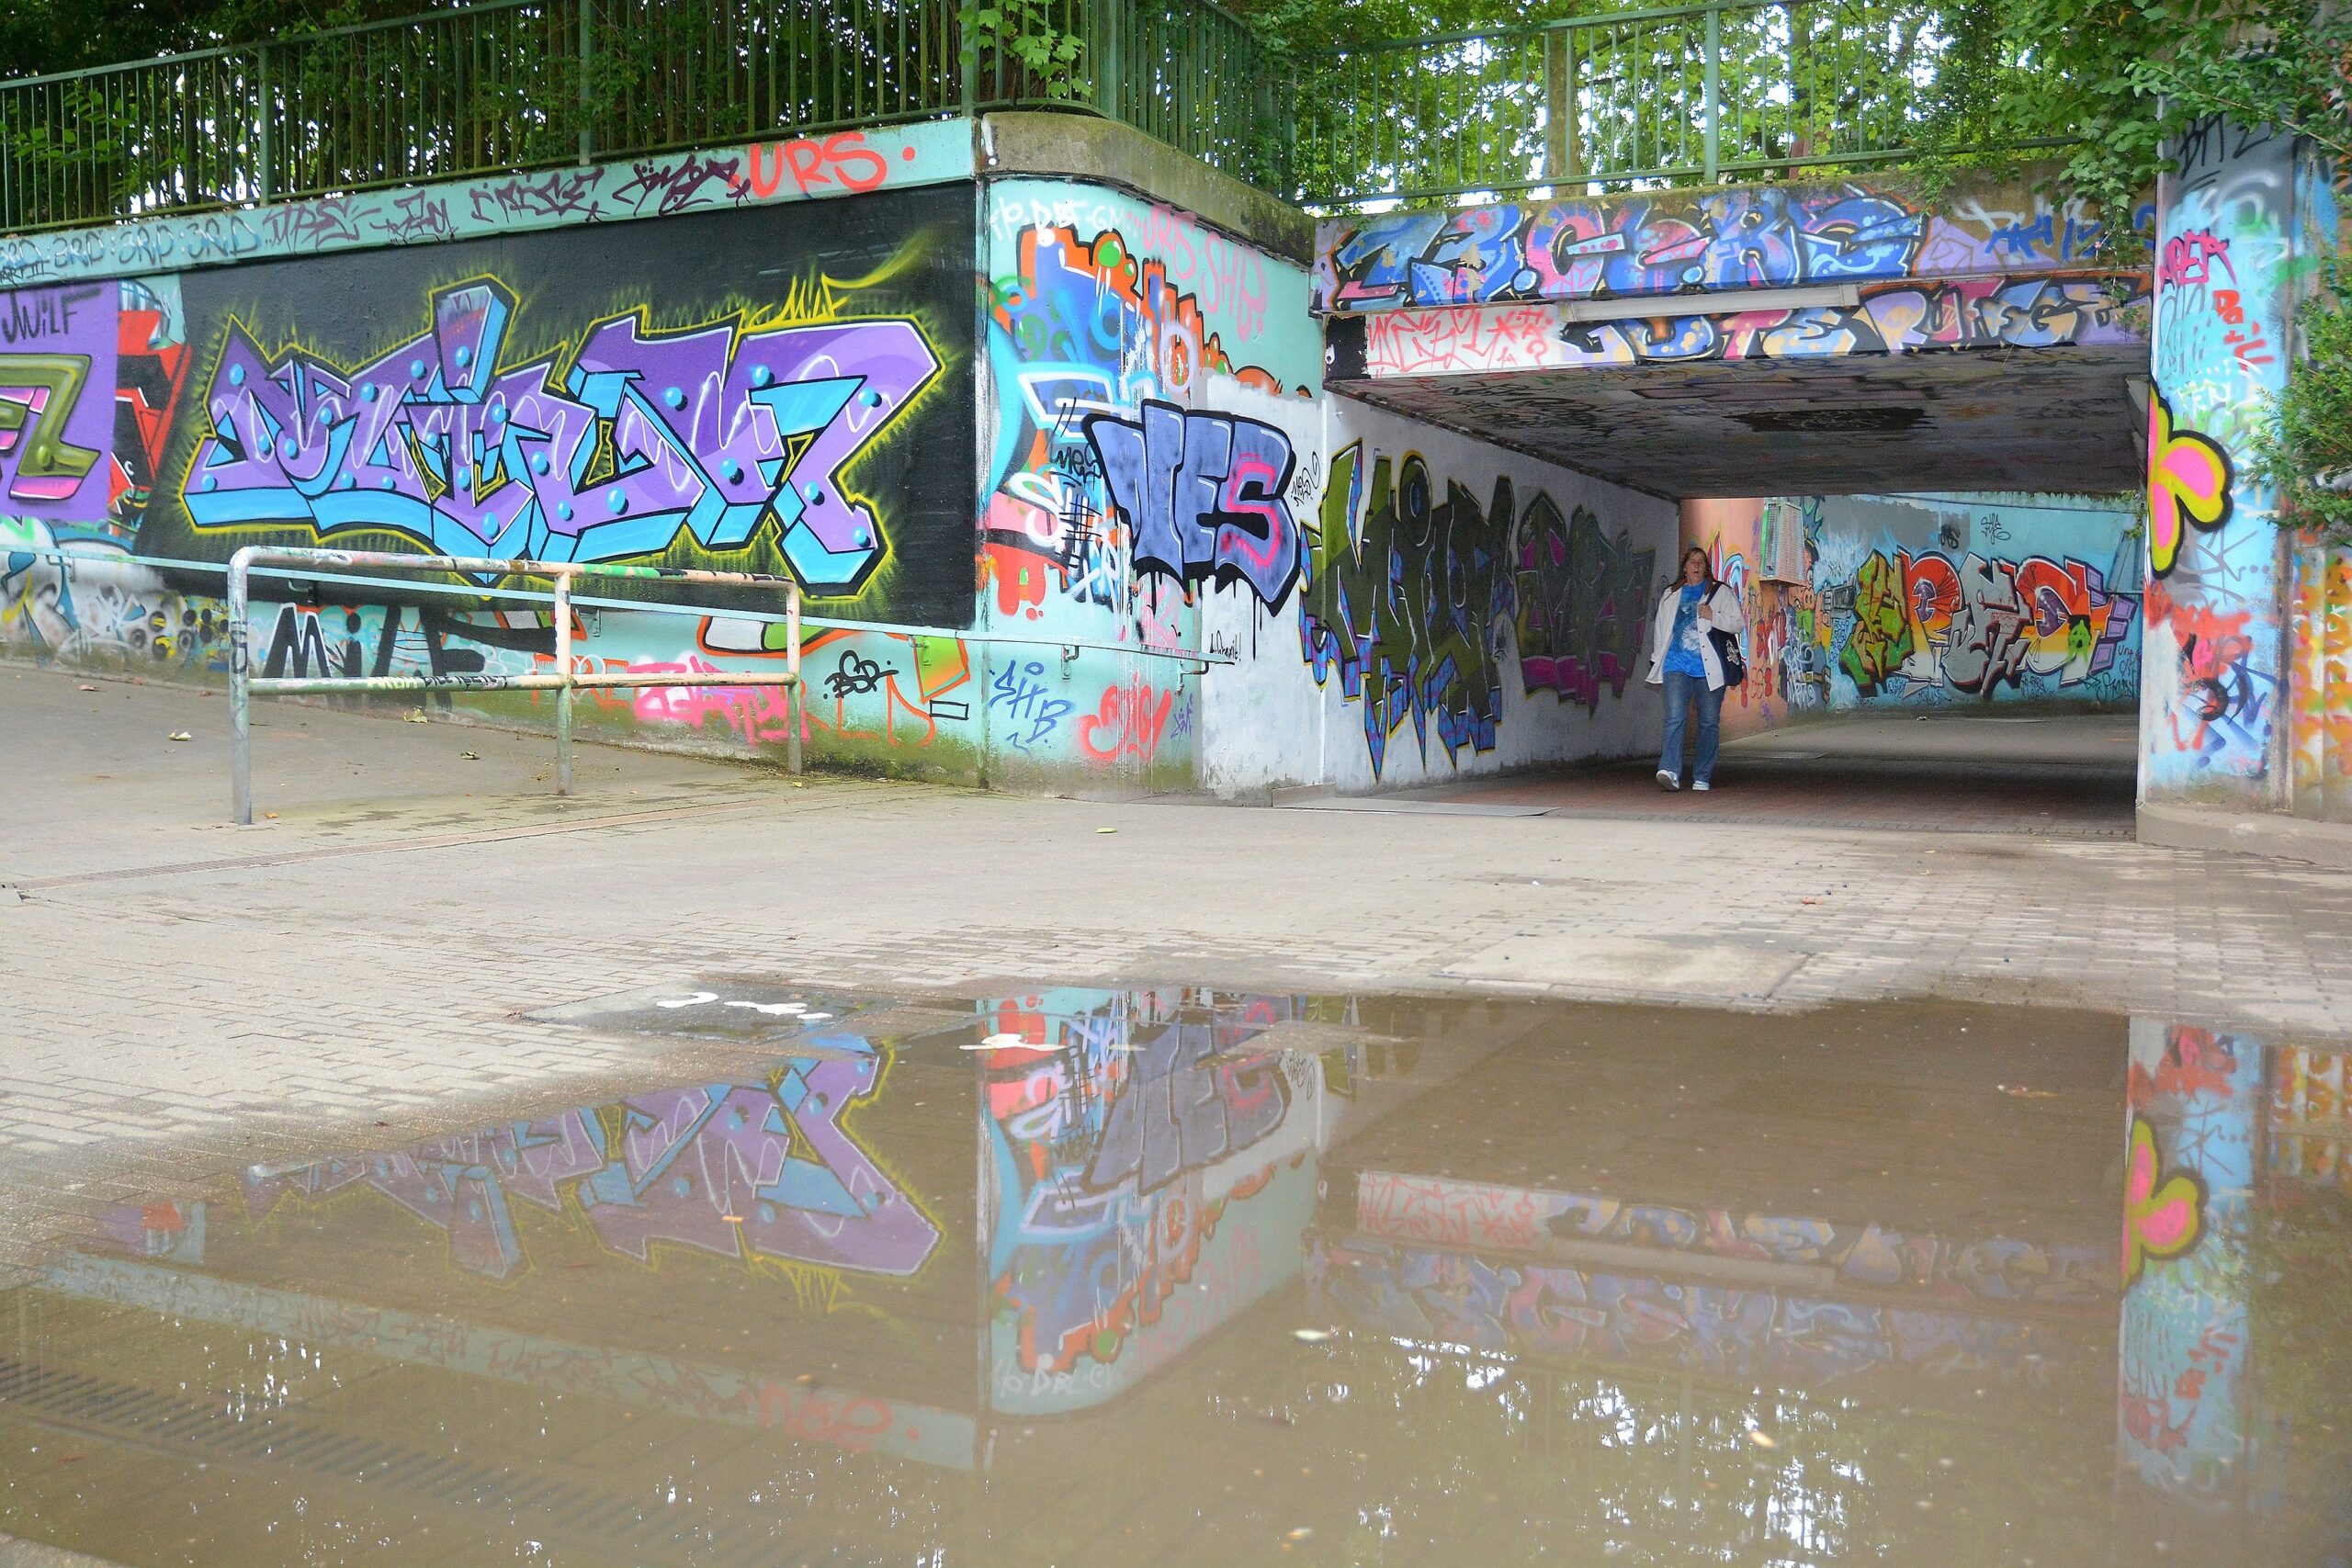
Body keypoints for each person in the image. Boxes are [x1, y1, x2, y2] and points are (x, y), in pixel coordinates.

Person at [1645, 546, 1746, 792]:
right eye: (1692, 561)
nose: (1697, 566)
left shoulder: (1720, 593)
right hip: (1676, 665)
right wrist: (1657, 658)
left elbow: (1738, 624)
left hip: (1709, 669)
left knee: (1709, 722)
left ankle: (1702, 775)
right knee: (1674, 718)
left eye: (1701, 562)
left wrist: (1713, 616)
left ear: (1706, 567)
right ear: (1684, 566)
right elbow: (1661, 628)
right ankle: (1670, 770)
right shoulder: (1671, 594)